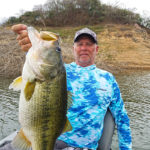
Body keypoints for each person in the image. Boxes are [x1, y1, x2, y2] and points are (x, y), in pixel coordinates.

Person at [0, 25, 132, 150]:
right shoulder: (60, 71)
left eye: (89, 44)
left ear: (96, 49)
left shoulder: (108, 79)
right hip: (47, 138)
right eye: (80, 44)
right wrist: (29, 44)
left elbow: (122, 117)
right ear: (74, 48)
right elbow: (38, 66)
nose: (84, 47)